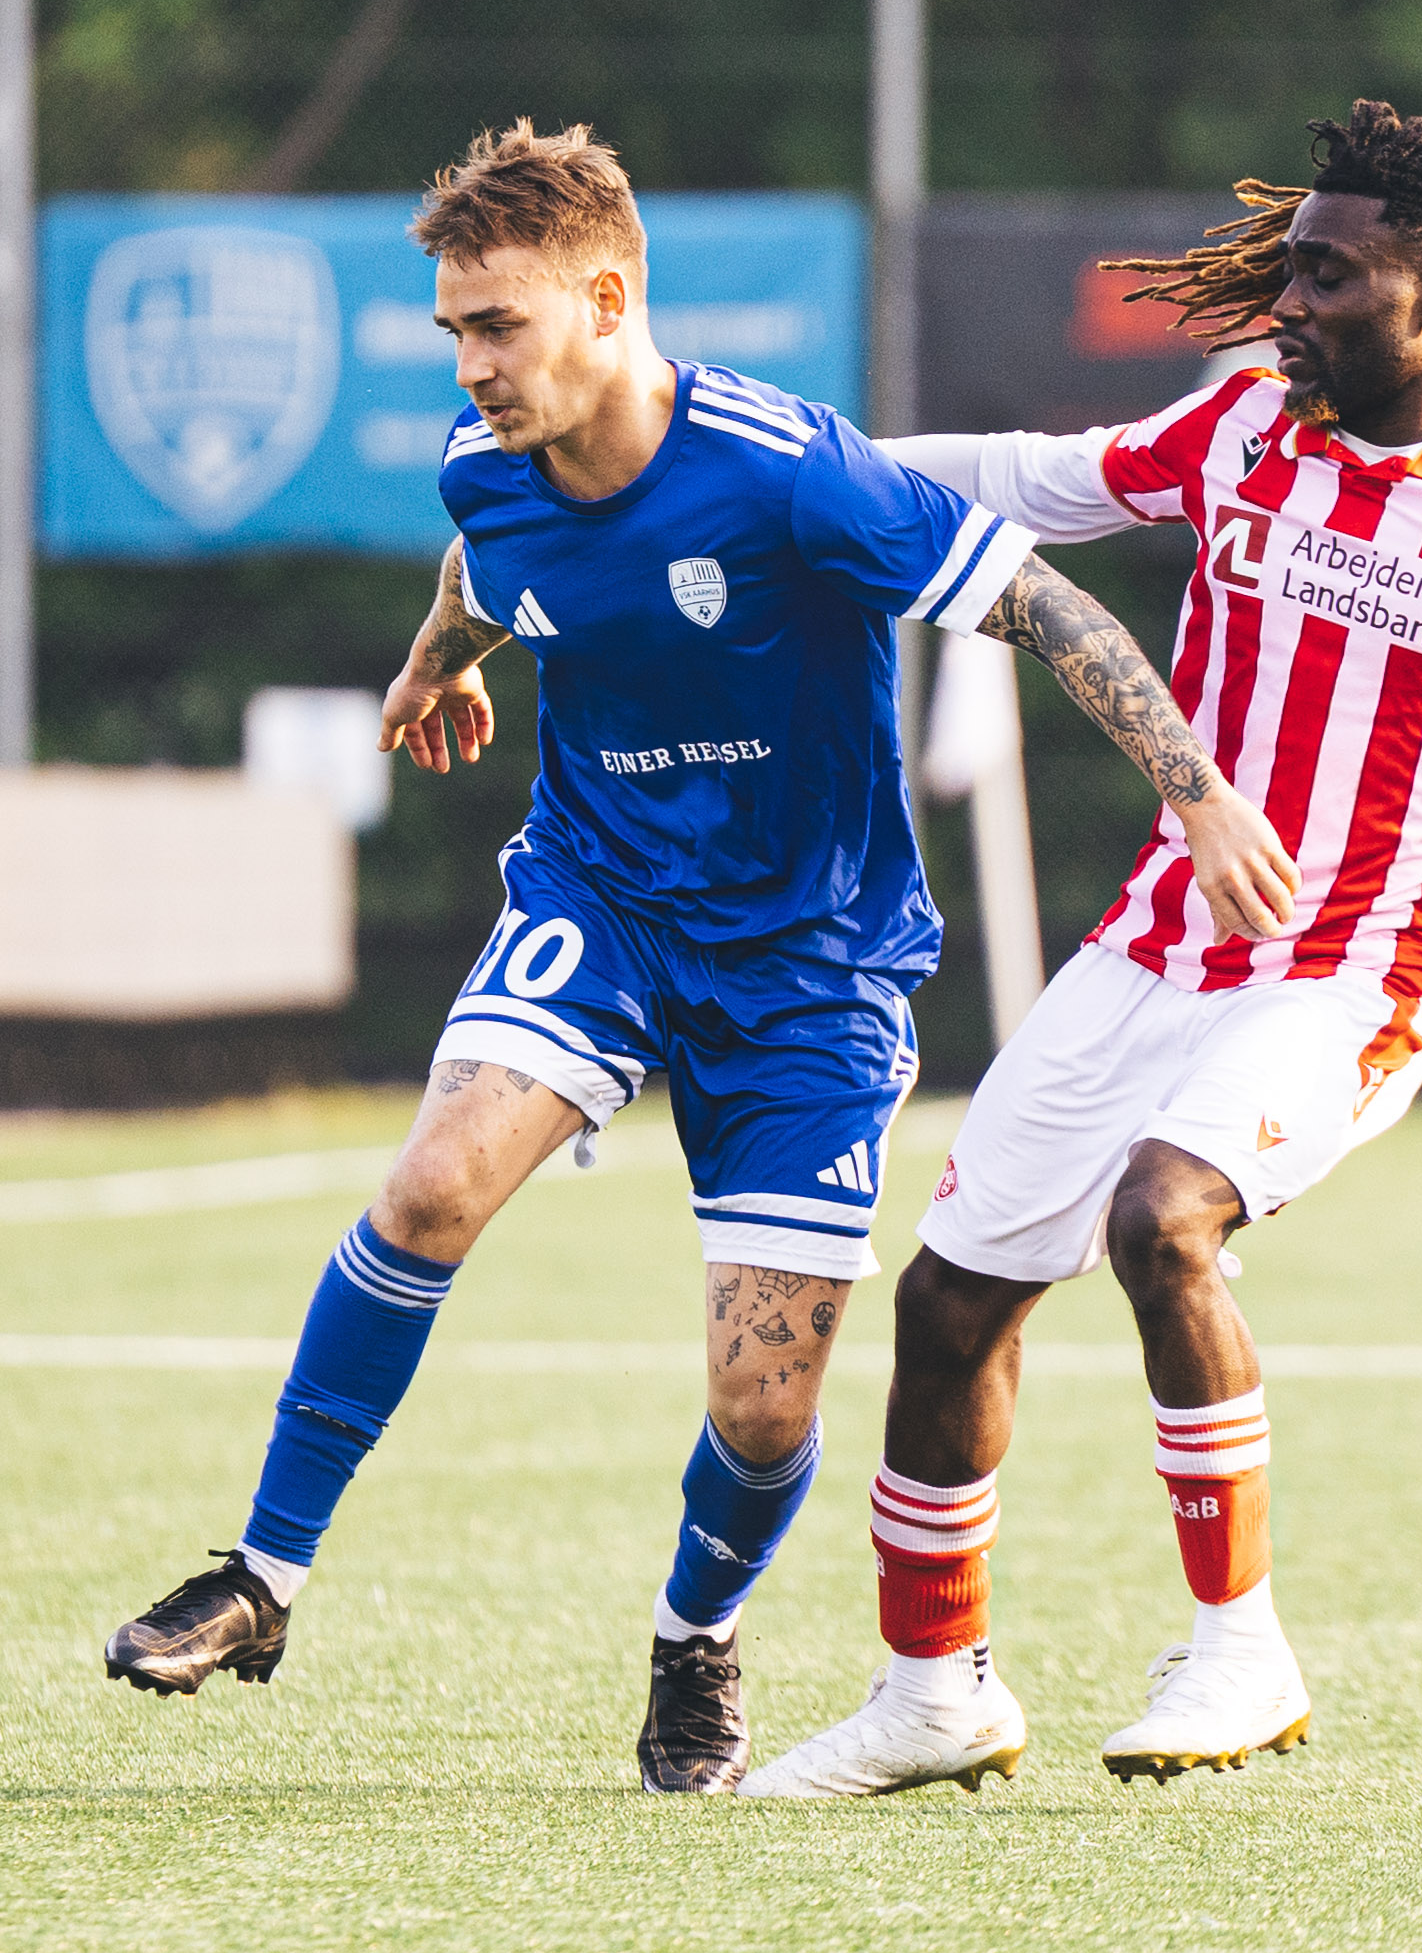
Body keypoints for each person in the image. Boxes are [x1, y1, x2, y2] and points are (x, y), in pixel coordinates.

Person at [100, 123, 1298, 1793]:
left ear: (606, 301)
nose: (471, 365)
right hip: (600, 902)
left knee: (759, 1407)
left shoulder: (790, 470)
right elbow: (483, 564)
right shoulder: (483, 463)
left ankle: (693, 1638)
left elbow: (1043, 606)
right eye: (452, 331)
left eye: (497, 325)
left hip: (810, 965)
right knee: (430, 1186)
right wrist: (440, 660)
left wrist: (1199, 795)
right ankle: (261, 1575)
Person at [743, 101, 1422, 1798]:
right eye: (1288, 270)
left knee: (1161, 1214)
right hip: (1152, 948)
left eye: (1327, 277)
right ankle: (931, 1693)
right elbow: (1034, 479)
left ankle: (1238, 1648)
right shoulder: (1243, 428)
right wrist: (790, 465)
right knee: (948, 1300)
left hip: (1355, 974)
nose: (1288, 303)